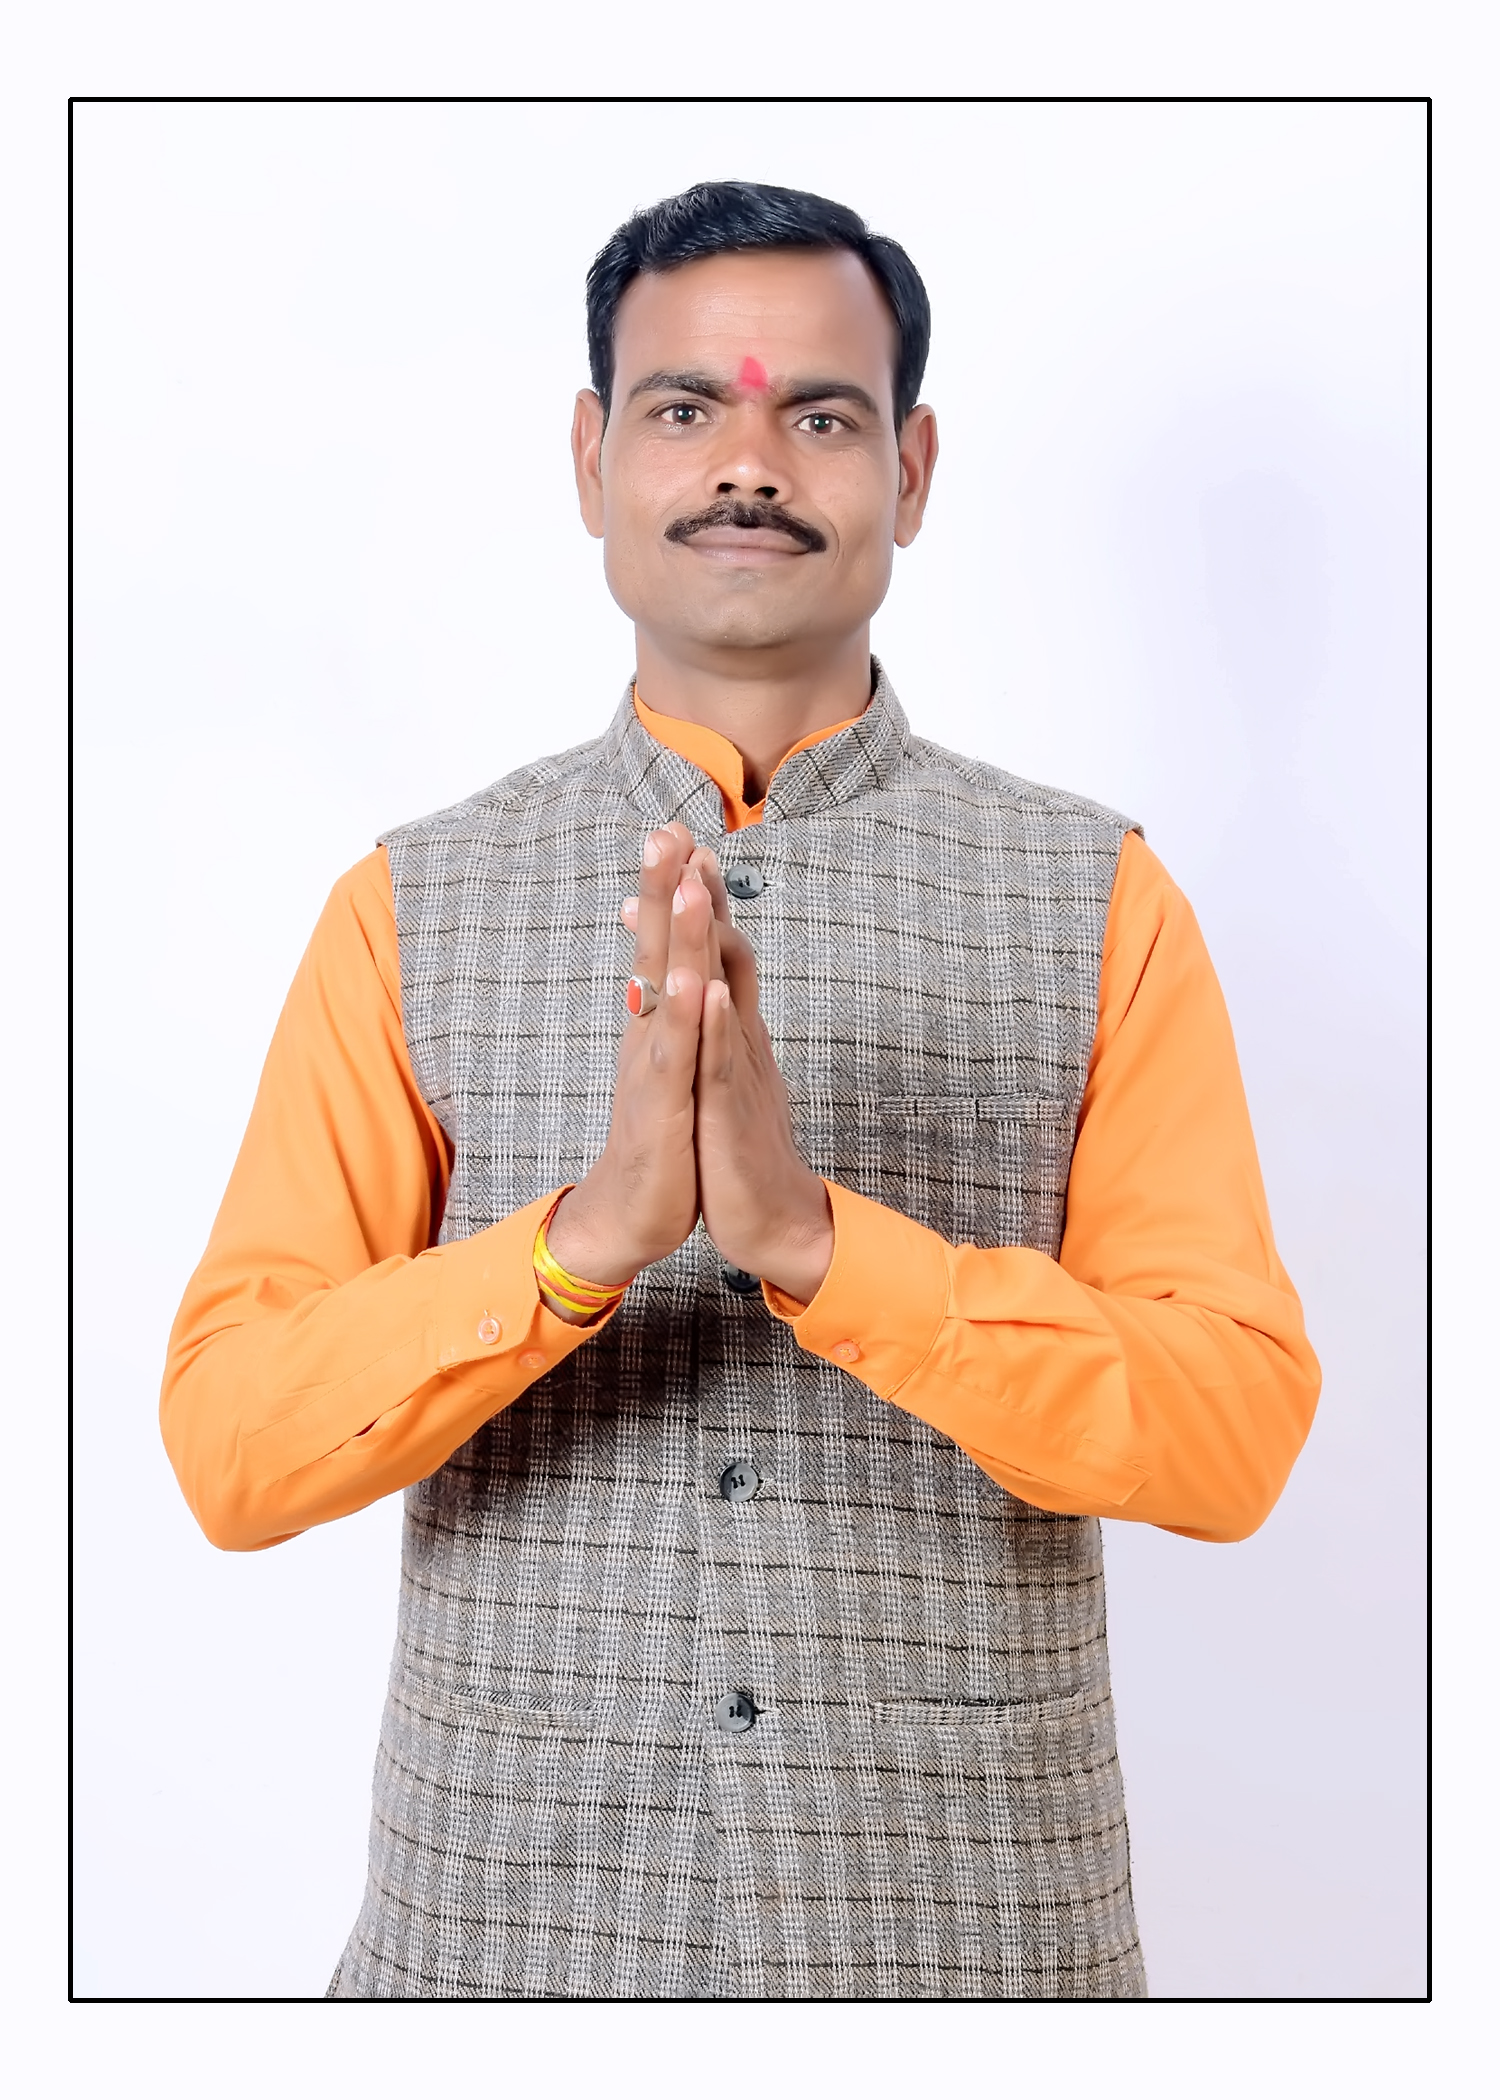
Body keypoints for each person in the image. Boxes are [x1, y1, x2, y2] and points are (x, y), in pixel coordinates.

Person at [161, 180, 1320, 2001]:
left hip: (971, 1966)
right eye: (686, 406)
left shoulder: (1100, 899)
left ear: (912, 472)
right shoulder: (410, 903)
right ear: (593, 457)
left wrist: (823, 1246)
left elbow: (1231, 1428)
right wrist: (575, 1246)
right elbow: (232, 1446)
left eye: (822, 416)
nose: (749, 464)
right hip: (499, 1956)